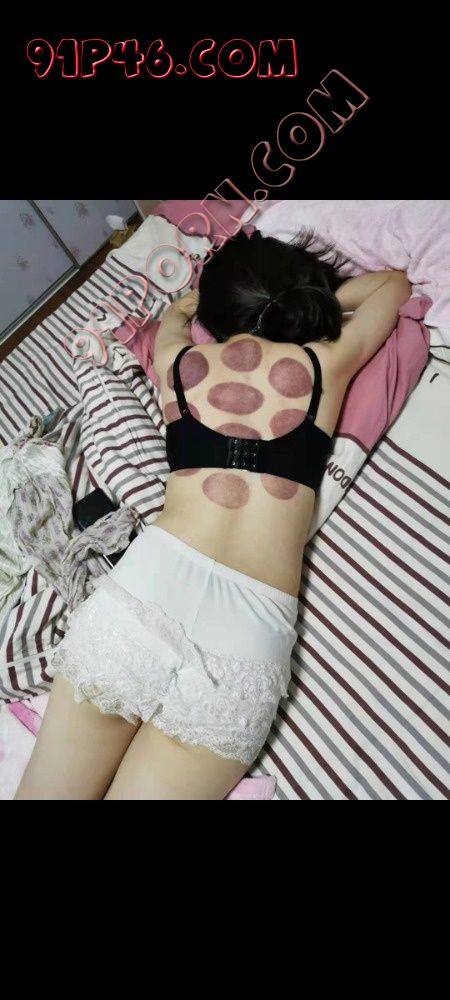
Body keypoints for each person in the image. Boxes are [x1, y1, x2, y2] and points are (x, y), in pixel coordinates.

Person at [15, 229, 412, 800]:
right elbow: (393, 287)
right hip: (244, 641)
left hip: (141, 600)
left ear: (219, 311)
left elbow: (174, 316)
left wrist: (204, 302)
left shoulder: (180, 362)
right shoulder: (326, 363)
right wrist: (305, 299)